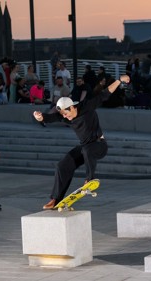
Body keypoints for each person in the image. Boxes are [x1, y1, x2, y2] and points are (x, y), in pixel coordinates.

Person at [33, 75, 131, 210]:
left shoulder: (87, 106)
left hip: (99, 145)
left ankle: (89, 180)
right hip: (85, 146)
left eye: (67, 114)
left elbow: (105, 94)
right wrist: (40, 117)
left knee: (87, 150)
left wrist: (119, 80)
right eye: (63, 116)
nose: (66, 118)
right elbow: (50, 118)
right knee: (62, 165)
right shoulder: (64, 116)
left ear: (72, 107)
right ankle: (56, 199)